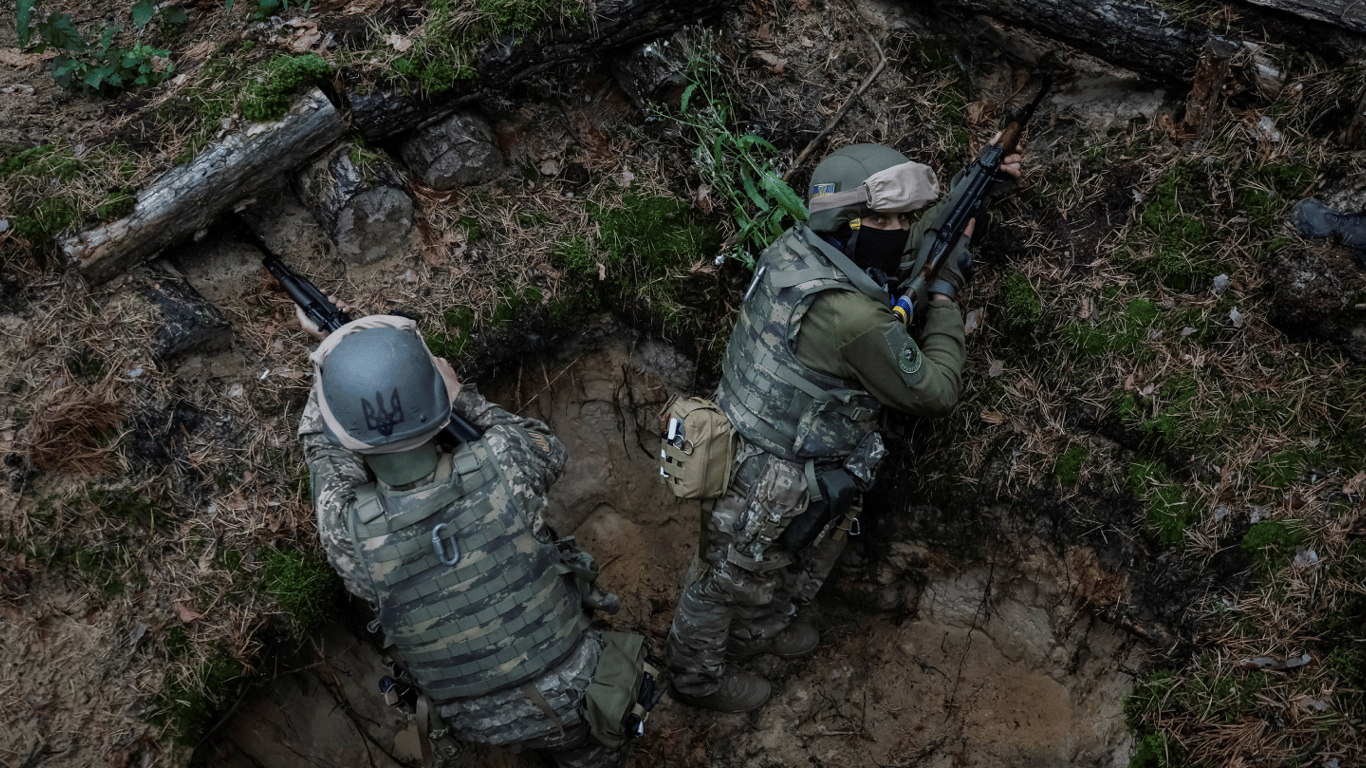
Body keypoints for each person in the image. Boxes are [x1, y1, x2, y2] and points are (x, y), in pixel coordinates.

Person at [667, 138, 1023, 713]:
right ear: (848, 223)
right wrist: (945, 296)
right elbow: (936, 391)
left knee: (786, 560)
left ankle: (758, 634)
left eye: (902, 218)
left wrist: (977, 181)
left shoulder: (800, 247)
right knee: (723, 581)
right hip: (765, 475)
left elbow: (914, 237)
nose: (900, 230)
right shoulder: (853, 317)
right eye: (884, 220)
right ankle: (695, 679)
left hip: (782, 451)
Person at [296, 310, 634, 767]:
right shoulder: (506, 459)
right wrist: (461, 396)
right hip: (576, 690)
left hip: (474, 720)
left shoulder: (346, 533)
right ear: (437, 397)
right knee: (590, 748)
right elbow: (546, 447)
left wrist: (336, 356)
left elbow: (322, 446)